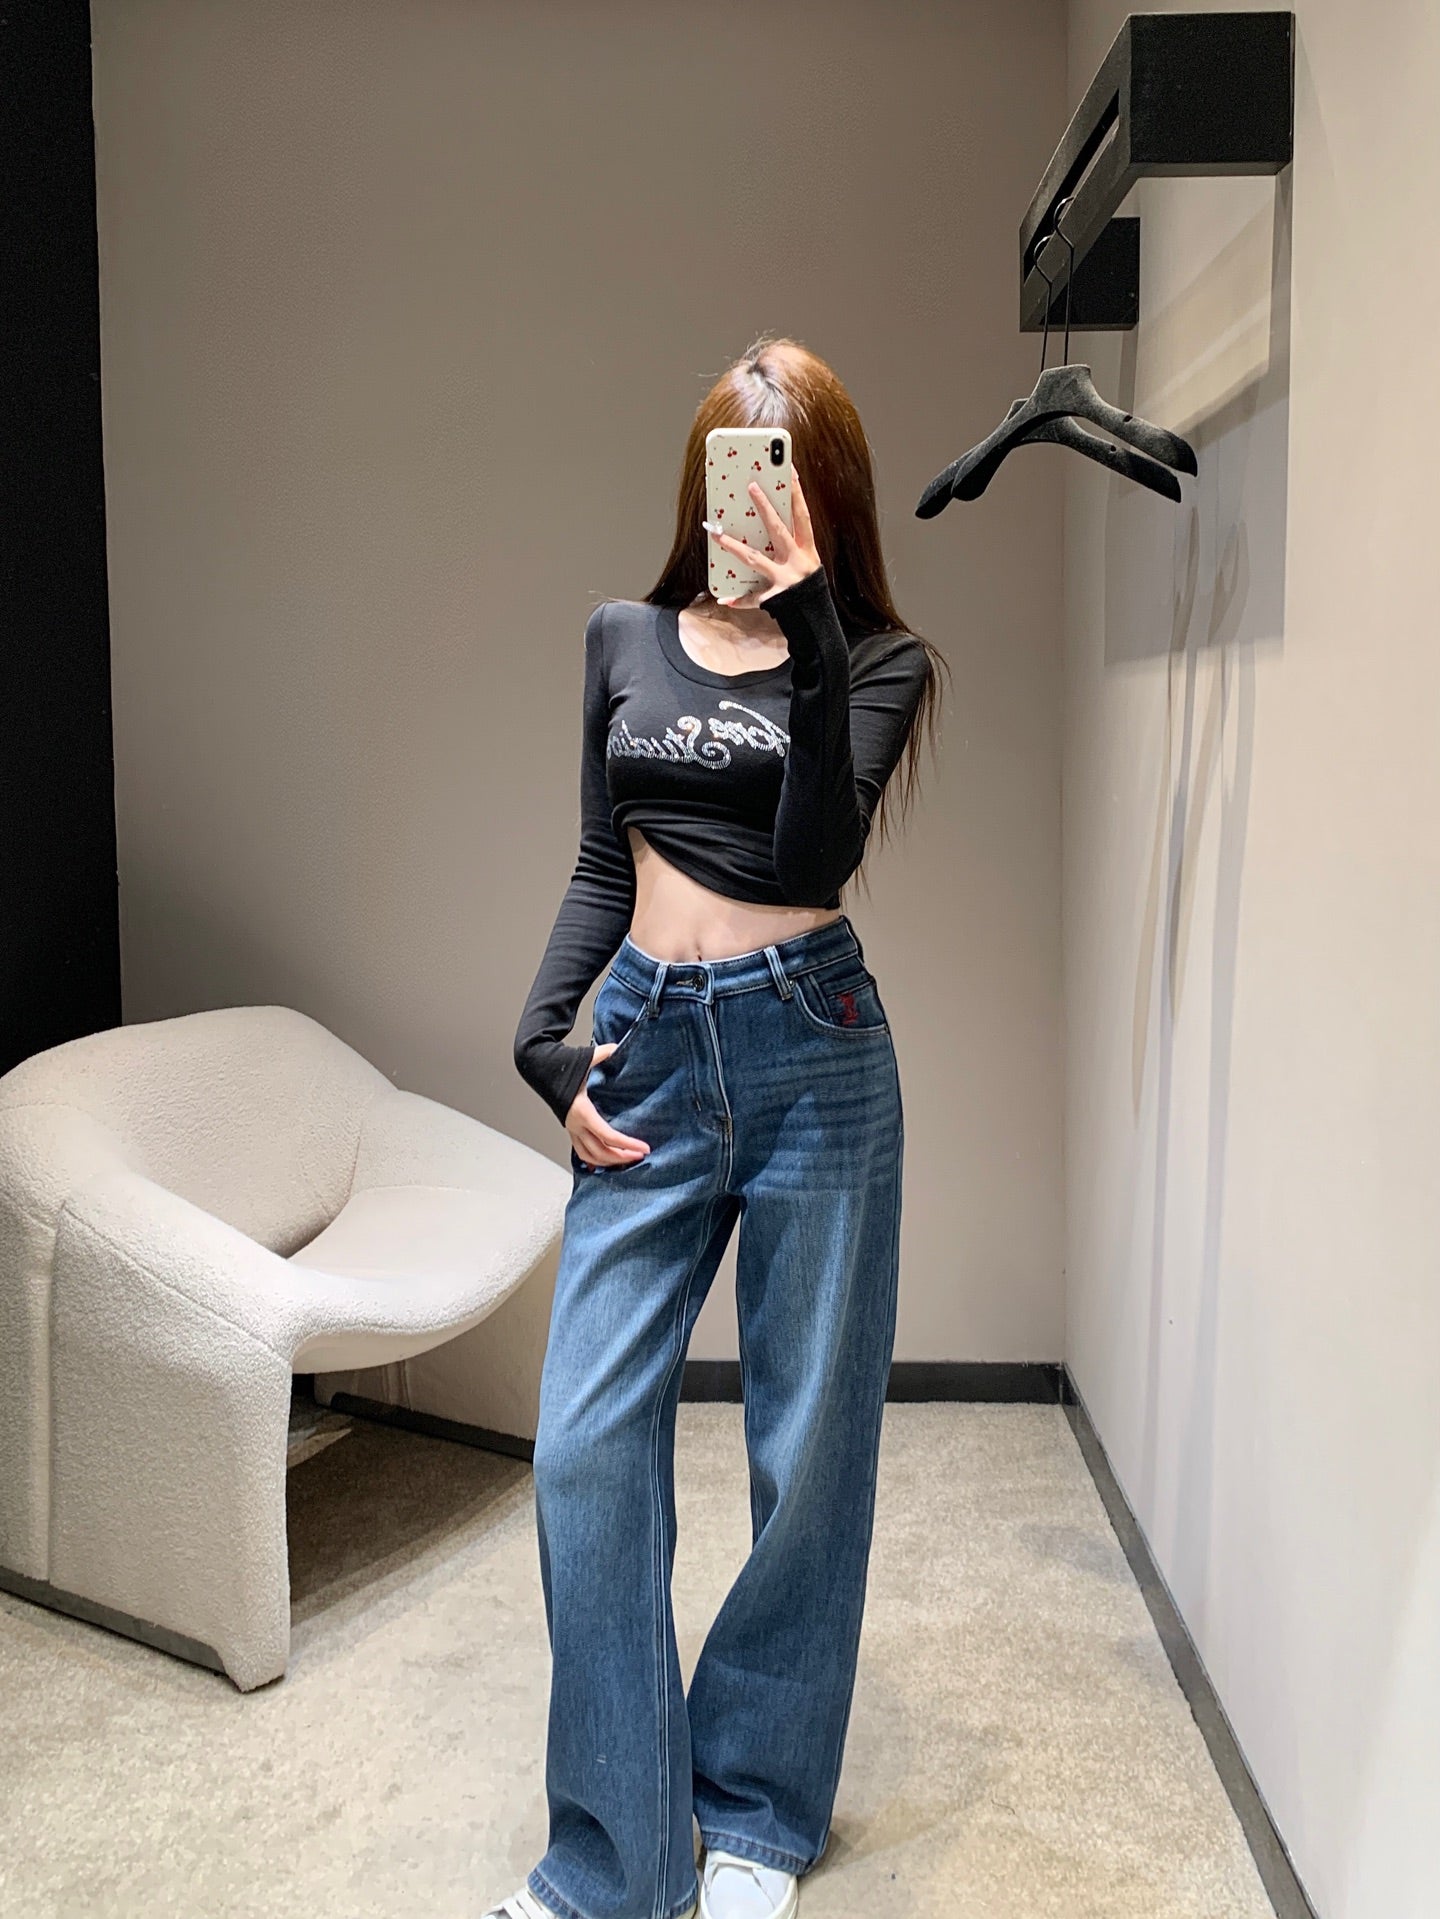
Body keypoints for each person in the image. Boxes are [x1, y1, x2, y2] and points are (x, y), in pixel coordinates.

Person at [491, 337, 945, 1919]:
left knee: (808, 1450)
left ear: (828, 497)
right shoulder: (622, 637)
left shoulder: (877, 660)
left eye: (778, 473)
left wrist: (809, 623)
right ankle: (616, 1861)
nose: (743, 501)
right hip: (648, 1049)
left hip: (816, 1048)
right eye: (727, 468)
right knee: (583, 1449)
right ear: (698, 481)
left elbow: (815, 852)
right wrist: (543, 1041)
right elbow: (600, 862)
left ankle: (756, 1812)